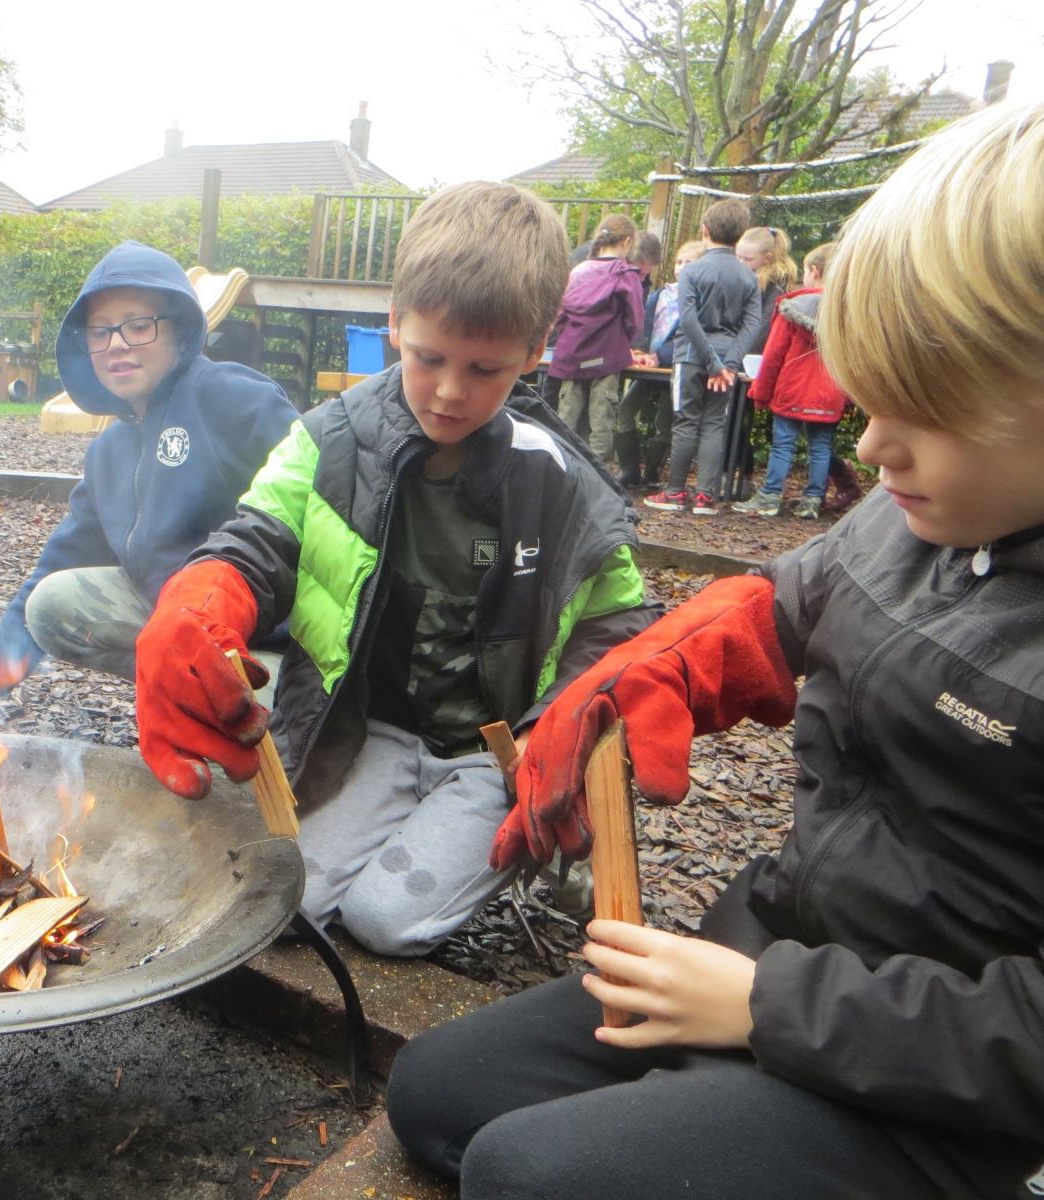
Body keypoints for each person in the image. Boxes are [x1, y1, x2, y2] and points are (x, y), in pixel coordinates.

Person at [387, 100, 1044, 1200]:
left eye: (921, 409)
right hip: (777, 955)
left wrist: (762, 1007)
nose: (868, 446)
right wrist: (648, 670)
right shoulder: (922, 511)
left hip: (920, 1086)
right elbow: (783, 606)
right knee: (439, 1092)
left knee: (523, 1175)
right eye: (869, 397)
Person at [132, 183, 661, 956]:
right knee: (291, 905)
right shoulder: (332, 439)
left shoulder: (560, 482)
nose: (450, 391)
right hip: (370, 727)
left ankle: (525, 849)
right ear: (393, 325)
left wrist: (566, 729)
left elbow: (620, 625)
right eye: (428, 357)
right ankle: (422, 831)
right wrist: (204, 596)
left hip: (493, 749)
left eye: (485, 369)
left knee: (387, 922)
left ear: (534, 353)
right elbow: (258, 538)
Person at [0, 242, 298, 736]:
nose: (117, 344)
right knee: (51, 602)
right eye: (101, 330)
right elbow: (49, 573)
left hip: (281, 652)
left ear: (181, 332)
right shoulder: (108, 455)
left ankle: (280, 715)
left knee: (279, 757)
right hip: (184, 639)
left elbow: (327, 504)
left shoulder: (230, 396)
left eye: (137, 325)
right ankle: (185, 693)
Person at [645, 199, 763, 515]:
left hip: (690, 357)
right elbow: (752, 324)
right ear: (740, 236)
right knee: (714, 425)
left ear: (705, 230)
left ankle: (674, 493)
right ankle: (705, 497)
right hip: (727, 362)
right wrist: (729, 364)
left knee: (684, 422)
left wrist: (712, 362)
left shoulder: (693, 270)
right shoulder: (749, 276)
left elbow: (687, 319)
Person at [732, 242, 846, 519]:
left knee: (783, 443)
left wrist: (761, 392)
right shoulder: (848, 313)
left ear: (814, 271)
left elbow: (773, 355)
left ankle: (770, 496)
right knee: (820, 447)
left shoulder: (791, 308)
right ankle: (812, 501)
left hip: (792, 390)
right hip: (830, 393)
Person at [548, 214, 644, 463]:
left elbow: (559, 315)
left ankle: (561, 465)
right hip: (607, 355)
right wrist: (625, 341)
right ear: (626, 242)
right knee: (601, 418)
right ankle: (599, 473)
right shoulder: (625, 274)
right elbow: (635, 319)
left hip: (572, 352)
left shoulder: (578, 271)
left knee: (566, 414)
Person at [615, 240, 705, 487]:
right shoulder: (660, 294)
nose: (681, 267)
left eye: (690, 263)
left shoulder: (700, 299)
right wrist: (640, 350)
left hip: (675, 368)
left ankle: (652, 474)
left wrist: (660, 356)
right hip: (649, 367)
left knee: (665, 421)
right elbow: (645, 324)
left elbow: (687, 335)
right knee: (625, 409)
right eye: (679, 261)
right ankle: (629, 470)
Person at [736, 224, 800, 353]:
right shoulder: (743, 274)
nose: (741, 263)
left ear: (766, 258)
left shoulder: (777, 281)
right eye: (738, 257)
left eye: (748, 259)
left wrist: (741, 352)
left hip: (753, 351)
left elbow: (767, 321)